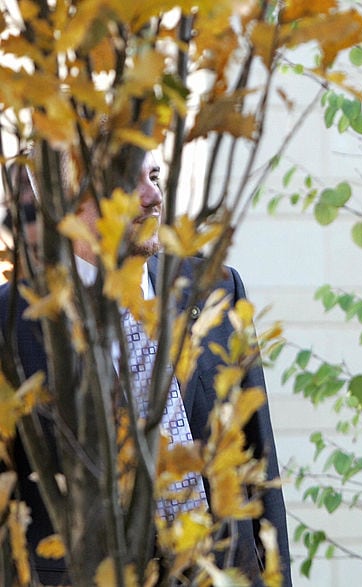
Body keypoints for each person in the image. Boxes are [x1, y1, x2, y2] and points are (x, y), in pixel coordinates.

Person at [0, 151, 292, 585]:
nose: (153, 195)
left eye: (154, 176)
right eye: (126, 180)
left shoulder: (214, 288)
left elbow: (258, 462)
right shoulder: (10, 321)